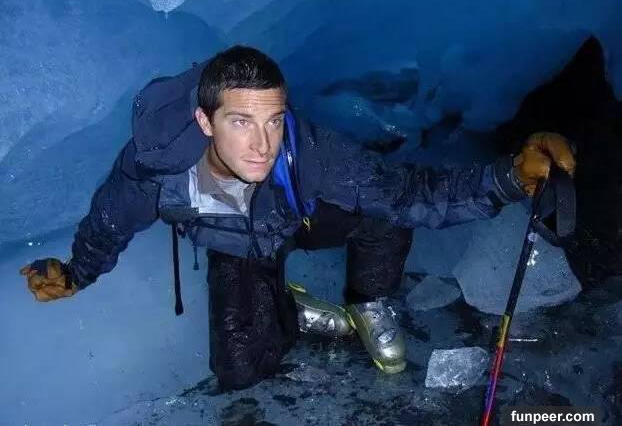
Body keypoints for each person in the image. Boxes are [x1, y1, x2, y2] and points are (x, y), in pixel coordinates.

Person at [19, 46, 576, 390]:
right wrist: (76, 273)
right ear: (205, 122)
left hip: (299, 218)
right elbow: (108, 223)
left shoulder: (310, 153)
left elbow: (412, 193)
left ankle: (367, 300)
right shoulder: (154, 170)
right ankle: (290, 306)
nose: (263, 144)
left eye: (274, 120)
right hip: (237, 244)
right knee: (240, 369)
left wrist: (510, 176)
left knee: (384, 208)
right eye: (241, 121)